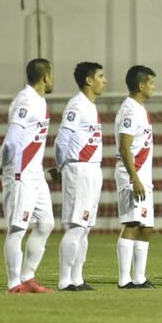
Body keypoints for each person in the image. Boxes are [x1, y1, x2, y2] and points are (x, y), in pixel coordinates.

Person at [0, 58, 55, 293]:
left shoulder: (39, 101)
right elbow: (12, 139)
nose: (53, 80)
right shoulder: (25, 100)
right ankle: (14, 283)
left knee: (45, 223)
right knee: (18, 228)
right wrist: (3, 164)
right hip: (21, 173)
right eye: (51, 75)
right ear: (45, 77)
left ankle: (28, 276)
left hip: (35, 174)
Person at [55, 62, 107, 291]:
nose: (104, 81)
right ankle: (64, 279)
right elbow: (61, 140)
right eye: (101, 76)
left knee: (85, 227)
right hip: (79, 168)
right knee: (76, 226)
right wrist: (61, 166)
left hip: (92, 168)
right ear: (89, 80)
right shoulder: (76, 105)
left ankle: (77, 278)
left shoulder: (90, 106)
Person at [114, 65, 157, 289]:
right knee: (131, 223)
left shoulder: (139, 109)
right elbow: (124, 147)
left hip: (143, 175)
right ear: (141, 85)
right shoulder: (129, 111)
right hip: (132, 176)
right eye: (151, 83)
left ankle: (139, 277)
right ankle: (124, 279)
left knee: (146, 226)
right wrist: (135, 179)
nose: (153, 87)